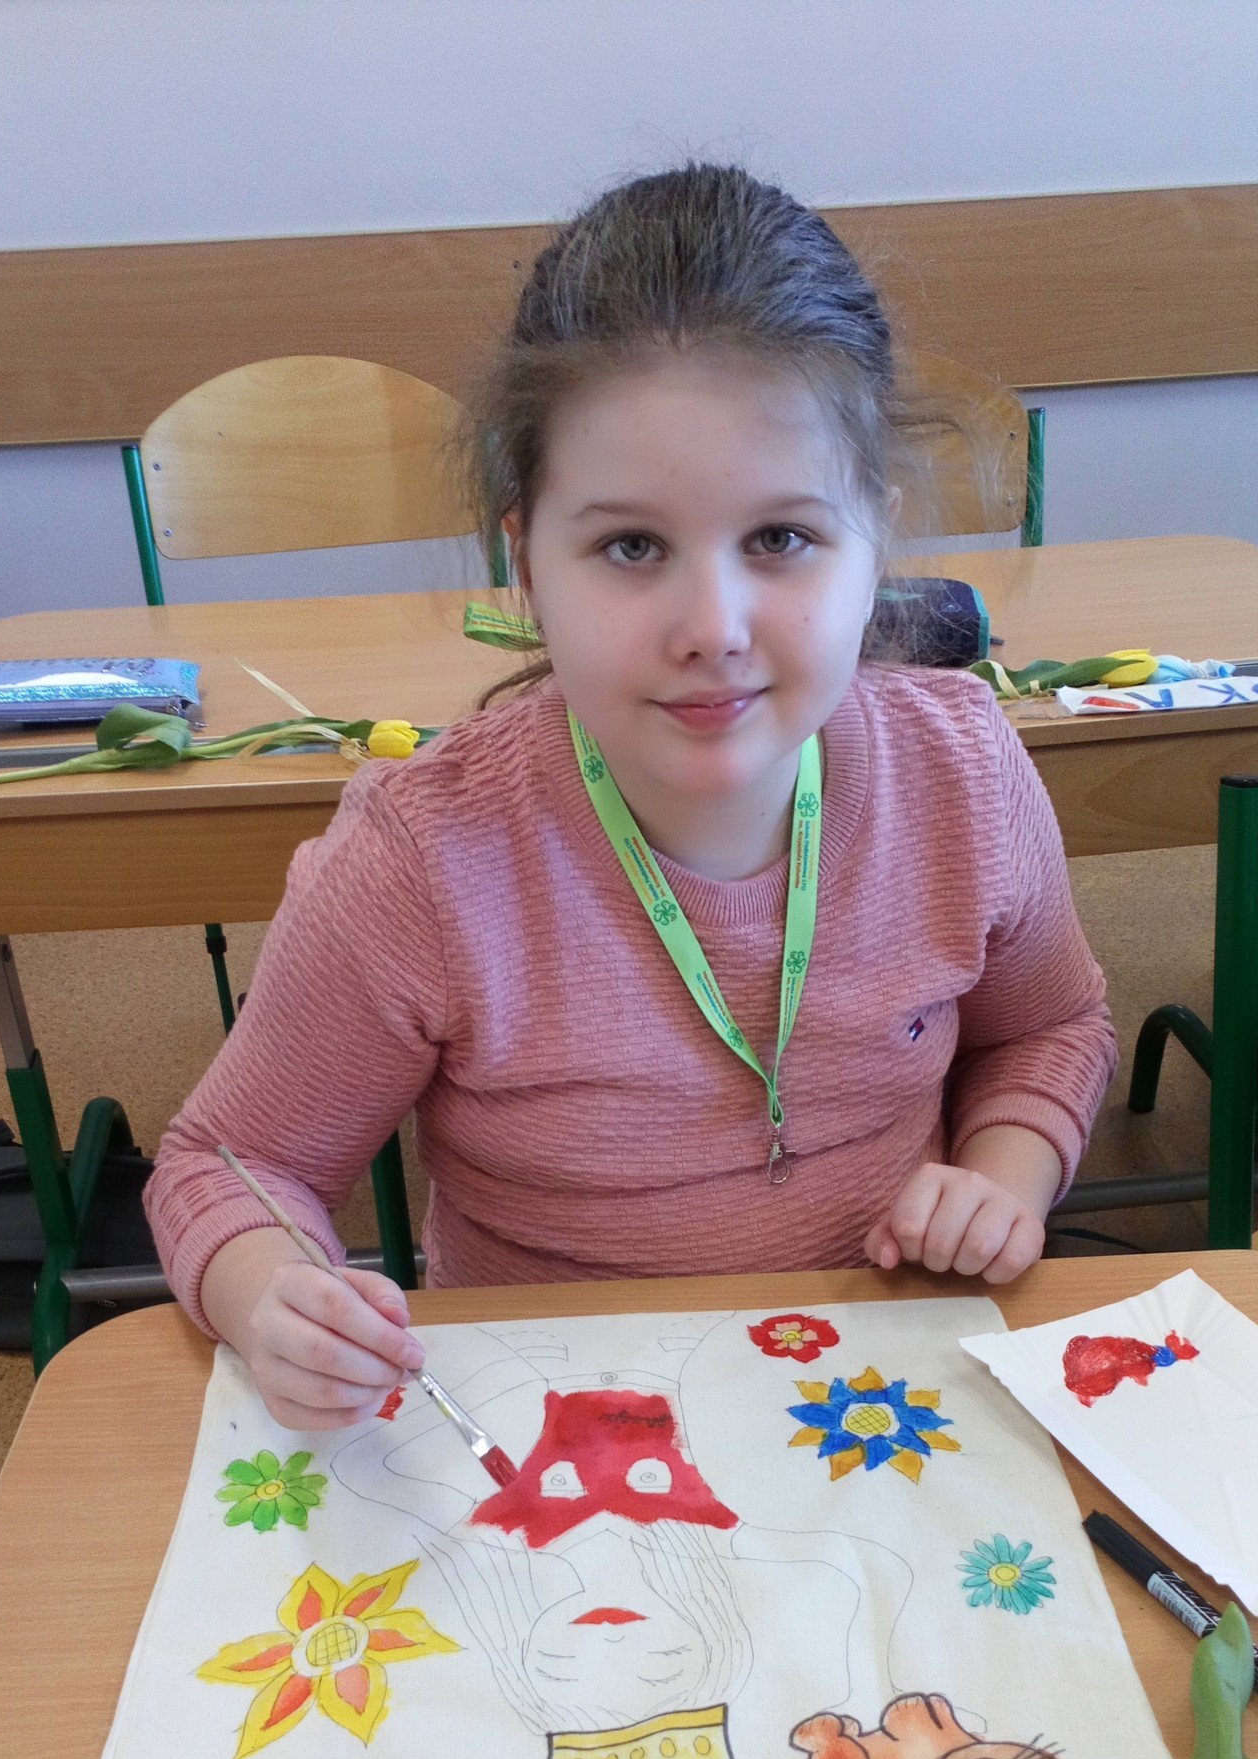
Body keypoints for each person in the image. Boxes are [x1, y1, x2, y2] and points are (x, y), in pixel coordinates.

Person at [147, 163, 1116, 1434]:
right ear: (525, 563)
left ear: (872, 542)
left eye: (780, 538)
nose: (712, 627)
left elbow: (1053, 1026)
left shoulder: (963, 772)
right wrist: (270, 1291)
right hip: (561, 1424)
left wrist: (1002, 1175)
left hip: (879, 1394)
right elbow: (228, 1162)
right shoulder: (422, 860)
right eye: (630, 546)